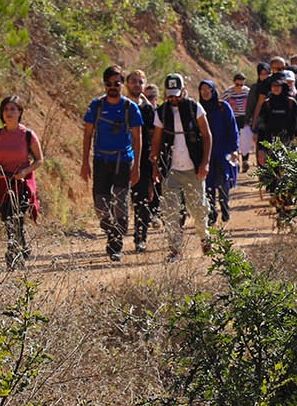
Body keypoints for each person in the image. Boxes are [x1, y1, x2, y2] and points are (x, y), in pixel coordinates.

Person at [80, 66, 144, 262]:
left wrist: (137, 167)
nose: (113, 87)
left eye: (117, 83)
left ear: (122, 85)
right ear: (104, 85)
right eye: (109, 84)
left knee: (121, 203)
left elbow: (137, 138)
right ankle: (111, 230)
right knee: (101, 206)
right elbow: (88, 134)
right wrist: (84, 163)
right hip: (100, 160)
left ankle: (116, 244)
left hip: (123, 161)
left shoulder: (130, 108)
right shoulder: (96, 106)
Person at [151, 74, 213, 259]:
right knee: (170, 211)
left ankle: (205, 238)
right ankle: (175, 249)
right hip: (171, 170)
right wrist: (155, 165)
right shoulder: (161, 112)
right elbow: (156, 140)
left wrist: (205, 163)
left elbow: (207, 136)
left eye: (177, 94)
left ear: (184, 90)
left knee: (198, 209)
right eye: (170, 95)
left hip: (193, 169)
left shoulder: (195, 108)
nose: (174, 99)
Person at [0, 95, 43, 271]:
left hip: (22, 182)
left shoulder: (28, 135)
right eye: (6, 109)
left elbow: (39, 160)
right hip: (4, 183)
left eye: (13, 109)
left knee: (17, 218)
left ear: (20, 112)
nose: (9, 113)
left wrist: (24, 172)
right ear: (2, 113)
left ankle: (15, 251)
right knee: (8, 217)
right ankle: (16, 251)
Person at [196, 77, 239, 227]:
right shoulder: (198, 108)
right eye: (203, 91)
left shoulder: (223, 107)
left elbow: (232, 129)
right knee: (208, 185)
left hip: (223, 151)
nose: (206, 93)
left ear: (213, 91)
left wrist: (234, 149)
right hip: (206, 153)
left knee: (223, 182)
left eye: (208, 90)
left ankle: (225, 207)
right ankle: (211, 212)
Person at [127, 69, 160, 251]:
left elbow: (154, 135)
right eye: (133, 81)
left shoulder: (148, 110)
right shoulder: (120, 106)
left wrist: (153, 161)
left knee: (142, 201)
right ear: (127, 84)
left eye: (140, 82)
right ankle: (115, 238)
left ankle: (140, 238)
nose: (136, 84)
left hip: (143, 160)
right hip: (121, 159)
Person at [225, 73, 254, 172]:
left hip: (245, 118)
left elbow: (252, 105)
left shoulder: (247, 92)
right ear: (234, 83)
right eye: (237, 85)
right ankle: (235, 162)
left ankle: (245, 161)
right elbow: (222, 104)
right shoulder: (229, 92)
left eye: (241, 85)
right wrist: (230, 107)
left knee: (245, 139)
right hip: (233, 118)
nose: (239, 87)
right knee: (234, 139)